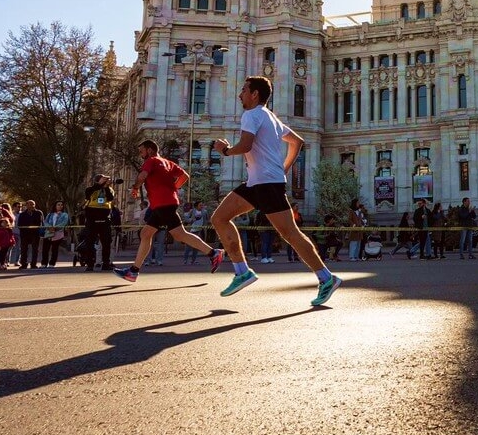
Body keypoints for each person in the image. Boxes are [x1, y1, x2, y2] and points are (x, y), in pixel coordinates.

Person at [210, 76, 342, 306]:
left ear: (255, 94)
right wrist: (284, 168)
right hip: (257, 183)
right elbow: (297, 141)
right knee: (220, 217)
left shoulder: (250, 115)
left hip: (267, 184)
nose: (239, 94)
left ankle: (326, 278)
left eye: (243, 90)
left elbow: (246, 145)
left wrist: (225, 150)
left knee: (291, 234)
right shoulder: (270, 116)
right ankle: (242, 271)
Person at [113, 141, 224, 283]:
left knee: (179, 234)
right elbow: (184, 176)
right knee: (146, 233)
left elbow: (142, 176)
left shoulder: (151, 161)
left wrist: (135, 188)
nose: (141, 155)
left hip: (163, 204)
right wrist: (172, 188)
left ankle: (213, 253)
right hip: (163, 203)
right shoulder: (167, 162)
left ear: (150, 150)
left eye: (142, 151)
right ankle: (133, 271)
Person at [81, 174, 117, 271]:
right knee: (90, 241)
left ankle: (106, 263)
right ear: (97, 180)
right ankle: (90, 264)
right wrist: (100, 185)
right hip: (92, 215)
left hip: (104, 216)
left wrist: (105, 187)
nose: (106, 180)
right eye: (104, 179)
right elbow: (88, 196)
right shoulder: (90, 189)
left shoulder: (109, 189)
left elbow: (110, 198)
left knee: (106, 242)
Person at [16, 200, 43, 270]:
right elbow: (20, 225)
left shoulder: (38, 213)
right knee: (24, 249)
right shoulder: (22, 214)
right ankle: (23, 264)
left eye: (33, 204)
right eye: (30, 204)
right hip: (25, 234)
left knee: (35, 249)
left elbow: (40, 223)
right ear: (26, 205)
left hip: (35, 234)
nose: (31, 206)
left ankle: (33, 264)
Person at [41, 201, 69, 268]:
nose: (60, 206)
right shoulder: (50, 214)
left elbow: (64, 223)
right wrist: (49, 227)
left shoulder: (64, 215)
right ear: (55, 206)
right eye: (58, 205)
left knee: (54, 249)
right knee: (45, 249)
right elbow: (45, 222)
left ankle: (52, 263)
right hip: (48, 233)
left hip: (58, 234)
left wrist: (55, 228)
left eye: (61, 205)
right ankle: (44, 263)